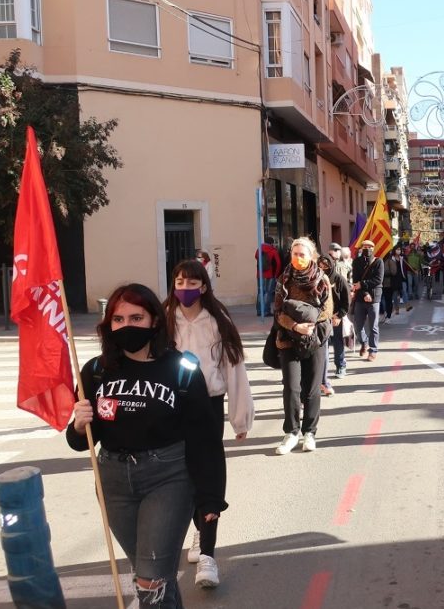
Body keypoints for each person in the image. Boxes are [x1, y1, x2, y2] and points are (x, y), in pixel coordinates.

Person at [67, 283, 226, 608]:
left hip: (168, 478)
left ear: (155, 320)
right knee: (155, 573)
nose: (127, 326)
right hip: (112, 482)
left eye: (136, 317)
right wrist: (78, 425)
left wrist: (210, 499)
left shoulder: (182, 370)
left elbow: (206, 440)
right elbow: (82, 442)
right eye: (118, 319)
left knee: (150, 580)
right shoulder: (96, 372)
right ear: (108, 324)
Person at [164, 259, 253, 588]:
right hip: (171, 407)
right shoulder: (163, 320)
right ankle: (199, 530)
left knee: (208, 473)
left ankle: (208, 557)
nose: (185, 289)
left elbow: (234, 369)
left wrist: (239, 416)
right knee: (181, 473)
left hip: (209, 405)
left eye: (192, 283)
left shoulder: (218, 320)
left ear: (204, 286)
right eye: (179, 282)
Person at [273, 238, 334, 454]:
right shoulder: (284, 279)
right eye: (294, 254)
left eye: (302, 254)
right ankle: (291, 433)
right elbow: (278, 312)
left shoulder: (322, 279)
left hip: (315, 339)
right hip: (289, 337)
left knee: (311, 388)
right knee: (291, 387)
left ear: (312, 256)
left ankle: (310, 432)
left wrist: (309, 322)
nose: (297, 258)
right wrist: (295, 326)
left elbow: (327, 310)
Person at [318, 250, 350, 392]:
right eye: (320, 266)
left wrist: (339, 315)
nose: (323, 269)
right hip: (321, 319)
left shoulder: (339, 280)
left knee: (338, 342)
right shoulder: (316, 280)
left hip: (336, 316)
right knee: (322, 347)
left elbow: (346, 301)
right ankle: (320, 376)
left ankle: (340, 365)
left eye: (326, 266)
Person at [350, 239, 384, 361]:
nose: (367, 249)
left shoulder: (379, 262)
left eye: (369, 247)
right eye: (364, 247)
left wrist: (364, 287)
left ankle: (373, 350)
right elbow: (356, 280)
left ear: (373, 248)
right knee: (358, 325)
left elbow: (378, 280)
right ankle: (364, 342)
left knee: (373, 326)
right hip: (361, 298)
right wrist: (364, 292)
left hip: (374, 298)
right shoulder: (356, 262)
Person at [255, 236, 281, 316]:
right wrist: (276, 275)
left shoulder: (259, 249)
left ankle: (259, 310)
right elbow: (278, 263)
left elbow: (256, 257)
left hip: (260, 275)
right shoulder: (273, 251)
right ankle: (266, 311)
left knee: (260, 292)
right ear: (271, 243)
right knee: (267, 293)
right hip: (270, 275)